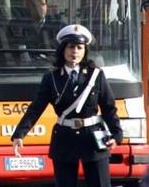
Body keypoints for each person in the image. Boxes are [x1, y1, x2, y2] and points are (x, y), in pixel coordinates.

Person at [11, 24, 122, 187]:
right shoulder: (52, 77)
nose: (75, 51)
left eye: (79, 47)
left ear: (85, 51)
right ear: (63, 49)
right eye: (71, 47)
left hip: (93, 138)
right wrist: (19, 134)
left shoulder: (96, 75)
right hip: (65, 138)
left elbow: (108, 107)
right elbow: (36, 107)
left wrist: (116, 134)